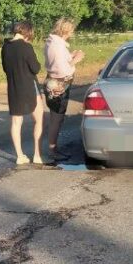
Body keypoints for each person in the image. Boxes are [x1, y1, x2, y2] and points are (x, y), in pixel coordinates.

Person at [1, 20, 45, 165]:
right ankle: (37, 155)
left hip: (13, 87)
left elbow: (6, 69)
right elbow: (36, 69)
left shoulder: (5, 47)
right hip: (30, 87)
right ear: (27, 32)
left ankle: (20, 156)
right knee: (38, 120)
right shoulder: (27, 47)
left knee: (16, 122)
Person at [43, 18, 84, 163]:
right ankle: (52, 150)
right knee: (57, 119)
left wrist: (69, 56)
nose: (72, 32)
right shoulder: (58, 46)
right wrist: (75, 60)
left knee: (55, 118)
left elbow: (56, 63)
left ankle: (53, 148)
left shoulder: (51, 42)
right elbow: (62, 71)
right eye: (72, 30)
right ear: (67, 31)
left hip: (51, 81)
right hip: (58, 84)